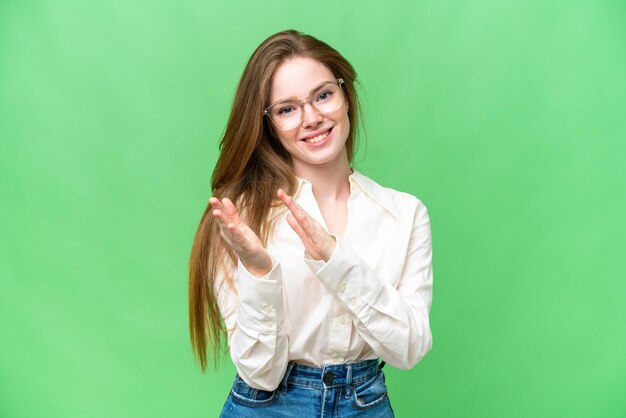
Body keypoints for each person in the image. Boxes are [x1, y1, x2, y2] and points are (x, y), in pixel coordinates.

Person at [188, 29, 433, 418]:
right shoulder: (241, 218)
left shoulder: (404, 214)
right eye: (287, 109)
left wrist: (336, 261)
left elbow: (409, 349)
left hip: (364, 405)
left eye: (322, 95)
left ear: (345, 96)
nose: (312, 118)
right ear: (268, 124)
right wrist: (257, 269)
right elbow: (260, 373)